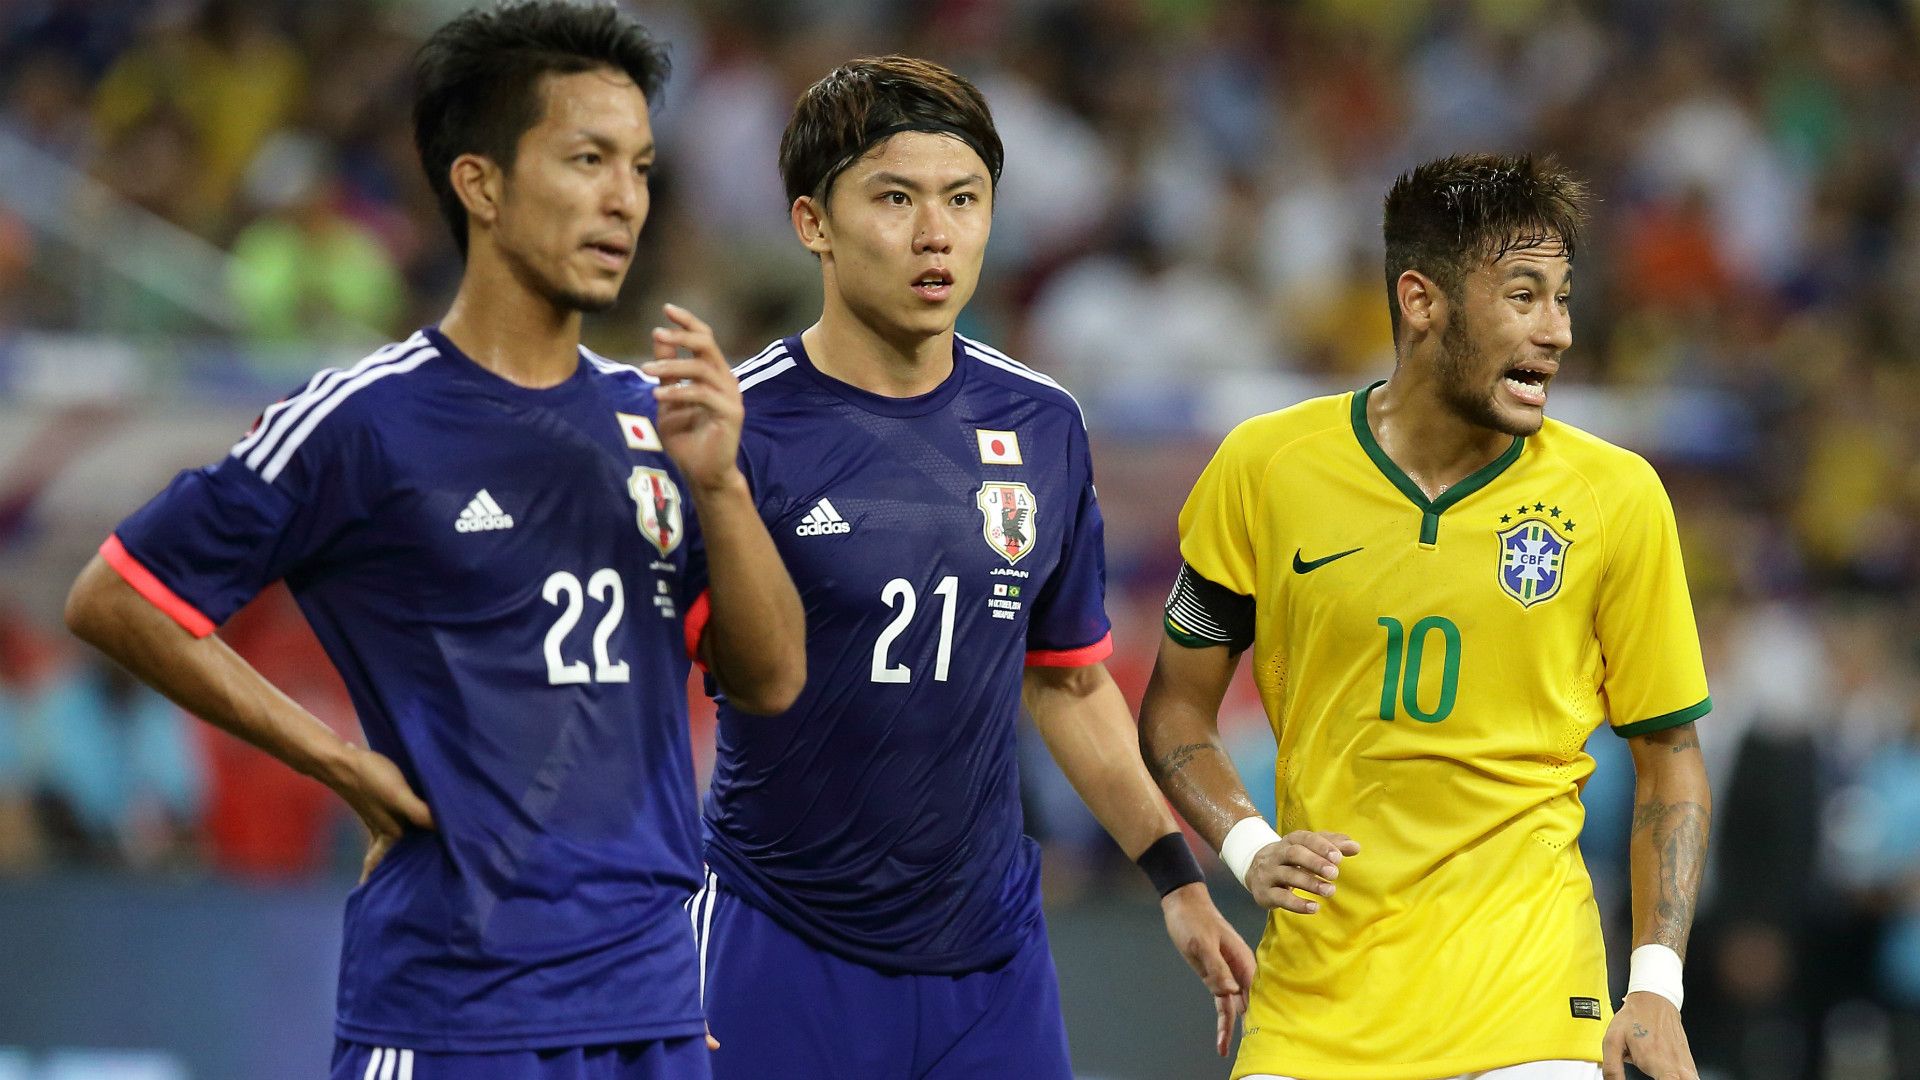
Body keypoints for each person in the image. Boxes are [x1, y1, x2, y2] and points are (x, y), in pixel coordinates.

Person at [62, 4, 805, 1078]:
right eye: (587, 159)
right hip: (456, 1007)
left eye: (640, 168)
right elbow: (118, 596)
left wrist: (725, 488)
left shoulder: (662, 422)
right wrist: (338, 762)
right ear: (482, 184)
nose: (623, 200)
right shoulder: (365, 419)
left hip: (652, 1004)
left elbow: (773, 679)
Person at [688, 55, 1253, 1080]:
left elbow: (1071, 680)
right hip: (781, 945)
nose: (934, 233)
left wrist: (1175, 877)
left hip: (992, 960)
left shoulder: (1040, 422)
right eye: (894, 198)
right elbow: (645, 703)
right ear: (813, 222)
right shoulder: (735, 428)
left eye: (963, 199)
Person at [1138, 153, 1713, 1080]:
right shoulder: (1266, 469)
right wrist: (1249, 846)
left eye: (1564, 298)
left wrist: (1654, 983)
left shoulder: (1617, 497)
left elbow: (1670, 759)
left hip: (1530, 1005)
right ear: (1422, 300)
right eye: (1524, 296)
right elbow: (1174, 708)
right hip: (1315, 1010)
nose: (1558, 331)